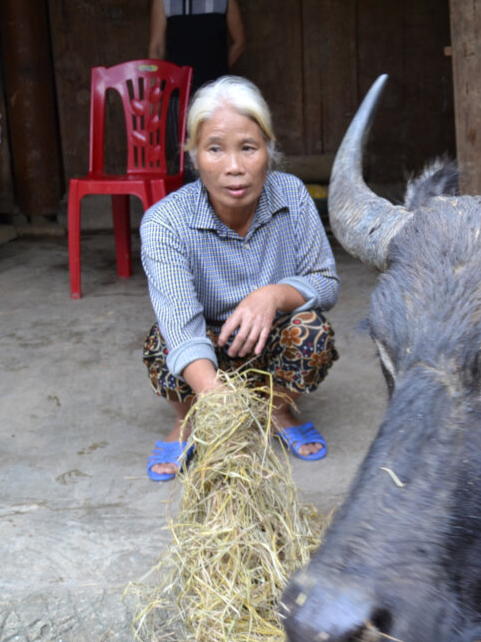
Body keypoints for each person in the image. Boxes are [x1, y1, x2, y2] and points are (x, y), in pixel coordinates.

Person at [140, 76, 340, 481]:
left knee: (313, 330)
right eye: (215, 148)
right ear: (195, 156)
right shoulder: (165, 221)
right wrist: (218, 401)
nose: (234, 167)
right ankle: (194, 418)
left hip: (268, 340)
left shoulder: (292, 196)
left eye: (248, 148)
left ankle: (275, 409)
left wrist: (273, 295)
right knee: (164, 343)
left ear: (268, 150)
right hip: (205, 349)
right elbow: (180, 324)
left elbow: (325, 282)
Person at [148, 0, 245, 90]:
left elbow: (239, 42)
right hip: (176, 90)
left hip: (214, 91)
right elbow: (156, 49)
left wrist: (218, 70)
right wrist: (153, 91)